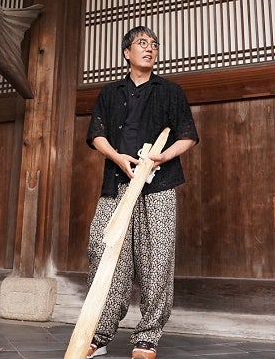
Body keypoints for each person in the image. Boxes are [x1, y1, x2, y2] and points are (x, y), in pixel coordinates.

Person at [85, 26, 199, 359]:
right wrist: (117, 157)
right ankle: (99, 333)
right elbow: (96, 134)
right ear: (127, 52)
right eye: (142, 43)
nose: (150, 49)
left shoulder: (170, 91)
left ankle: (147, 337)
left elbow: (188, 135)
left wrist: (162, 156)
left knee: (157, 258)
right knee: (104, 251)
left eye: (154, 44)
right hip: (116, 182)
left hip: (159, 184)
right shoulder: (110, 92)